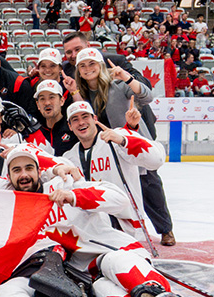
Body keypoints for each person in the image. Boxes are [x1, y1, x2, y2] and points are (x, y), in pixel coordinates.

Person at [0, 146, 191, 297]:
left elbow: (119, 200)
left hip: (105, 256)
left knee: (115, 262)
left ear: (39, 171)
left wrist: (74, 196)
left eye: (29, 168)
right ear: (8, 177)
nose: (24, 174)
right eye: (16, 170)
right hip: (74, 281)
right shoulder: (7, 203)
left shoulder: (64, 184)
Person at [63, 100, 165, 239]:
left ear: (95, 119)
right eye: (75, 119)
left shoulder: (116, 138)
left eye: (85, 117)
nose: (81, 122)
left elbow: (157, 159)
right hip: (92, 232)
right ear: (70, 126)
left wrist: (124, 141)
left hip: (128, 230)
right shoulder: (69, 158)